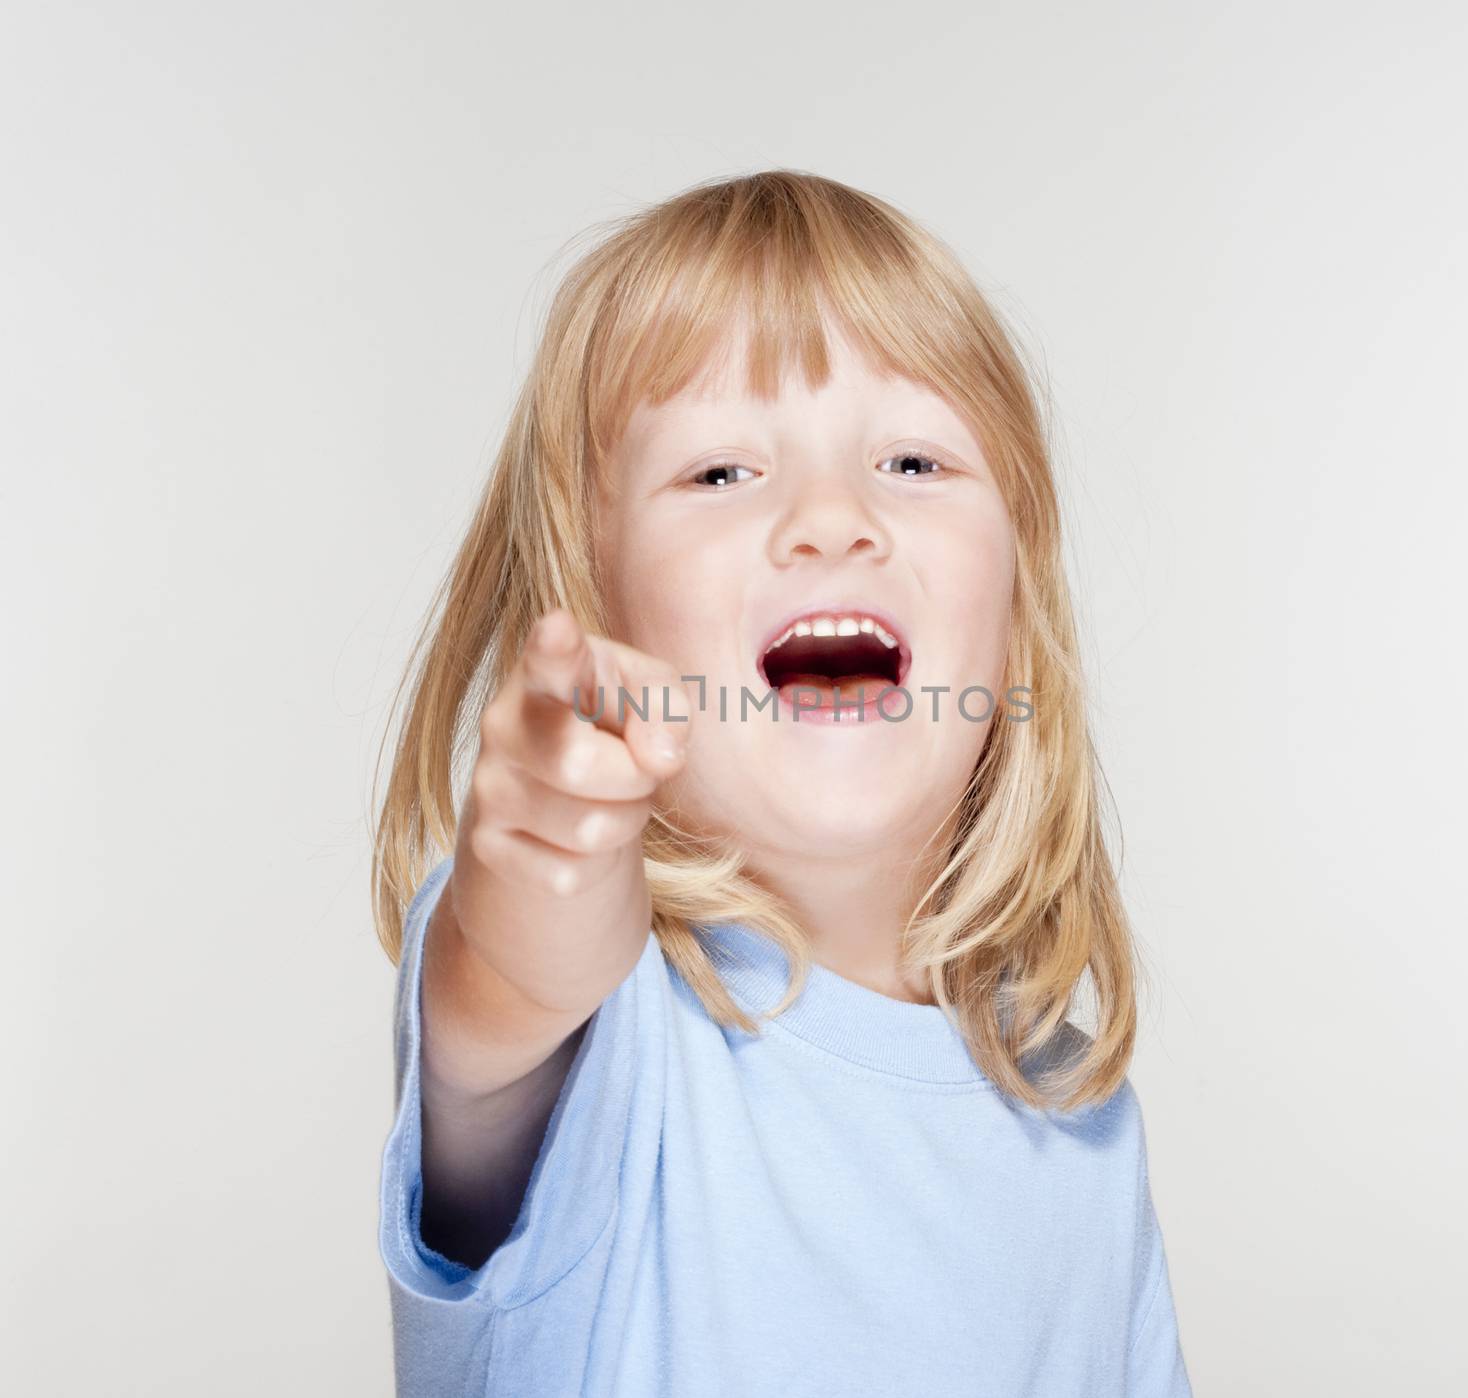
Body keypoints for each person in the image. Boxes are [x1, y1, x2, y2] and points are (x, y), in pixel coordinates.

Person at [370, 169, 1193, 1396]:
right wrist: (544, 863)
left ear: (1014, 621)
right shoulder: (602, 1030)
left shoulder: (1074, 1116)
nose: (831, 519)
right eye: (719, 473)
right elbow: (516, 974)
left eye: (913, 462)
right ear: (596, 613)